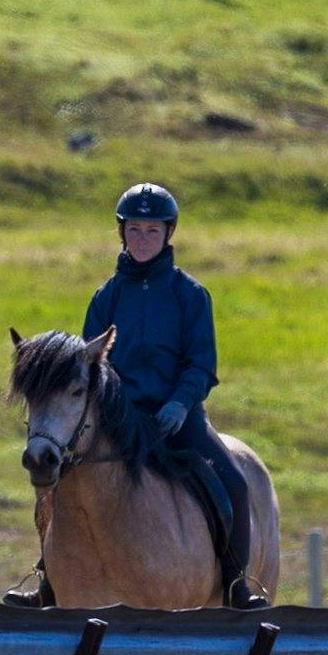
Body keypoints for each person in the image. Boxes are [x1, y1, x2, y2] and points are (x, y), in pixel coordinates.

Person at [14, 182, 265, 611]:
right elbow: (86, 362)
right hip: (119, 419)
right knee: (58, 487)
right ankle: (47, 578)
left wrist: (180, 404)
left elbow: (201, 363)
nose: (142, 238)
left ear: (168, 234)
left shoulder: (191, 295)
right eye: (134, 229)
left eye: (152, 230)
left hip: (179, 417)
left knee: (236, 485)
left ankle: (238, 582)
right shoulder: (105, 296)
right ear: (122, 233)